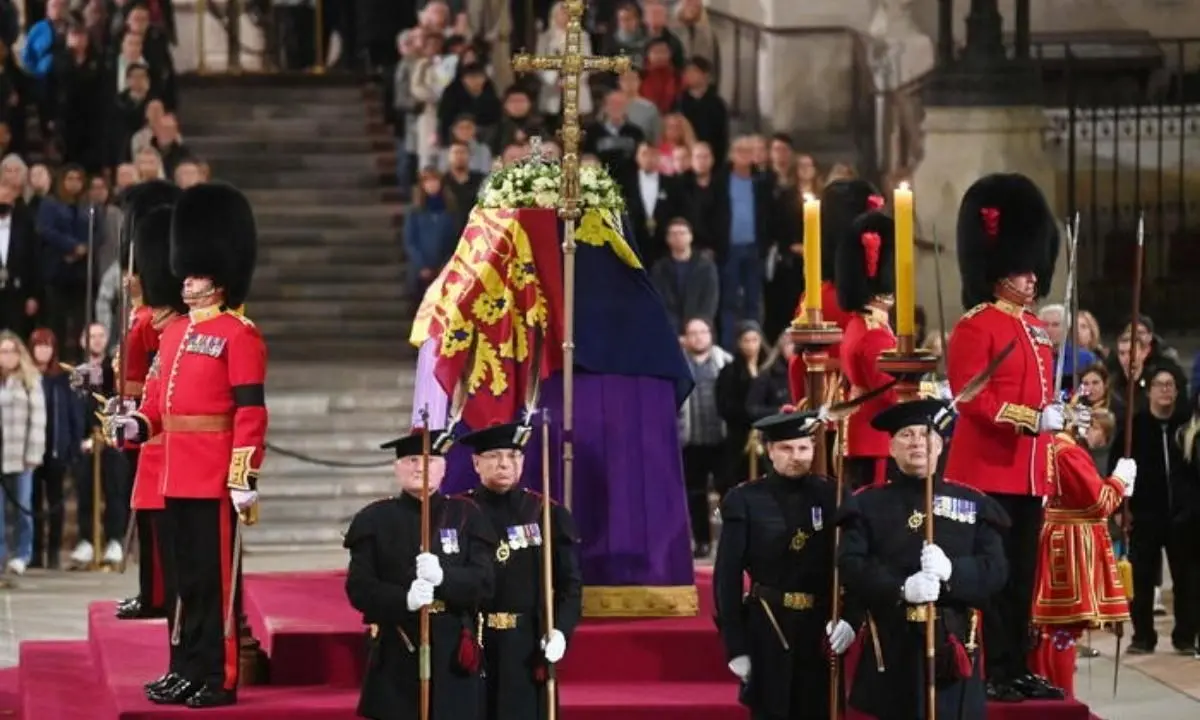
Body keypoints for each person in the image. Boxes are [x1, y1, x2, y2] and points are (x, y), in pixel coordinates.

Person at [111, 183, 267, 707]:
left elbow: (250, 410)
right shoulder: (174, 335)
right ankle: (183, 666)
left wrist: (243, 474)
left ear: (218, 280)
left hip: (213, 473)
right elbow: (157, 404)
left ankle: (217, 676)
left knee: (214, 586)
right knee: (186, 587)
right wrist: (136, 425)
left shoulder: (239, 335)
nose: (186, 279)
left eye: (196, 273)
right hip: (174, 473)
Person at [943, 173, 1066, 702]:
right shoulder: (977, 326)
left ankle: (1016, 665)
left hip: (1029, 472)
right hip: (988, 473)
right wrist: (1031, 419)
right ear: (997, 273)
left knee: (1021, 578)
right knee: (994, 577)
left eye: (1034, 270)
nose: (1032, 279)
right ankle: (994, 669)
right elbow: (972, 398)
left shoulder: (1035, 328)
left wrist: (1056, 416)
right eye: (1022, 270)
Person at [838, 398, 1010, 720]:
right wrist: (902, 587)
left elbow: (996, 571)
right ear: (891, 447)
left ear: (941, 444)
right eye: (906, 434)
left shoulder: (972, 504)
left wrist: (953, 573)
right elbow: (851, 564)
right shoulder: (866, 505)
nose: (917, 441)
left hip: (953, 646)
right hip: (892, 647)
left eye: (925, 433)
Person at [713, 408, 857, 720]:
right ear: (769, 450)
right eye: (786, 448)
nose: (797, 456)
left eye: (804, 448)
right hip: (768, 624)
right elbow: (727, 577)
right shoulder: (745, 500)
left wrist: (850, 618)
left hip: (821, 624)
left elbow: (854, 563)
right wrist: (735, 645)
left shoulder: (834, 495)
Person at [344, 430, 495, 720]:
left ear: (444, 468)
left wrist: (445, 579)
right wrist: (405, 600)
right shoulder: (374, 519)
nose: (420, 467)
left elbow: (485, 583)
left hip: (453, 650)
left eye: (430, 460)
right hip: (398, 646)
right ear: (397, 467)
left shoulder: (466, 516)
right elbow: (359, 588)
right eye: (412, 459)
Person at [456, 420, 583, 719]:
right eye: (494, 456)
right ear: (476, 463)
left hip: (526, 644)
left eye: (513, 456)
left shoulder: (545, 513)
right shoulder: (458, 513)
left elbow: (570, 585)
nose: (504, 464)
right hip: (474, 639)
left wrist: (561, 631)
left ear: (523, 461)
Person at [113, 179, 183, 622]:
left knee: (157, 520)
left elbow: (156, 368)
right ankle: (150, 591)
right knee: (145, 515)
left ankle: (157, 593)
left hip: (153, 423)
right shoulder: (141, 315)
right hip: (137, 418)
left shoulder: (153, 319)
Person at [1029, 408, 1134, 697]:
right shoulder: (1069, 453)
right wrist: (1119, 481)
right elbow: (1100, 502)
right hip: (1071, 544)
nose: (1101, 440)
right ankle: (1062, 696)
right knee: (1062, 627)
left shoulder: (1058, 447)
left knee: (1054, 630)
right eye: (1100, 431)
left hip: (1061, 538)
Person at [836, 208, 898, 490]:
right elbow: (891, 393)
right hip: (875, 439)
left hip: (860, 433)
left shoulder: (859, 324)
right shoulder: (874, 334)